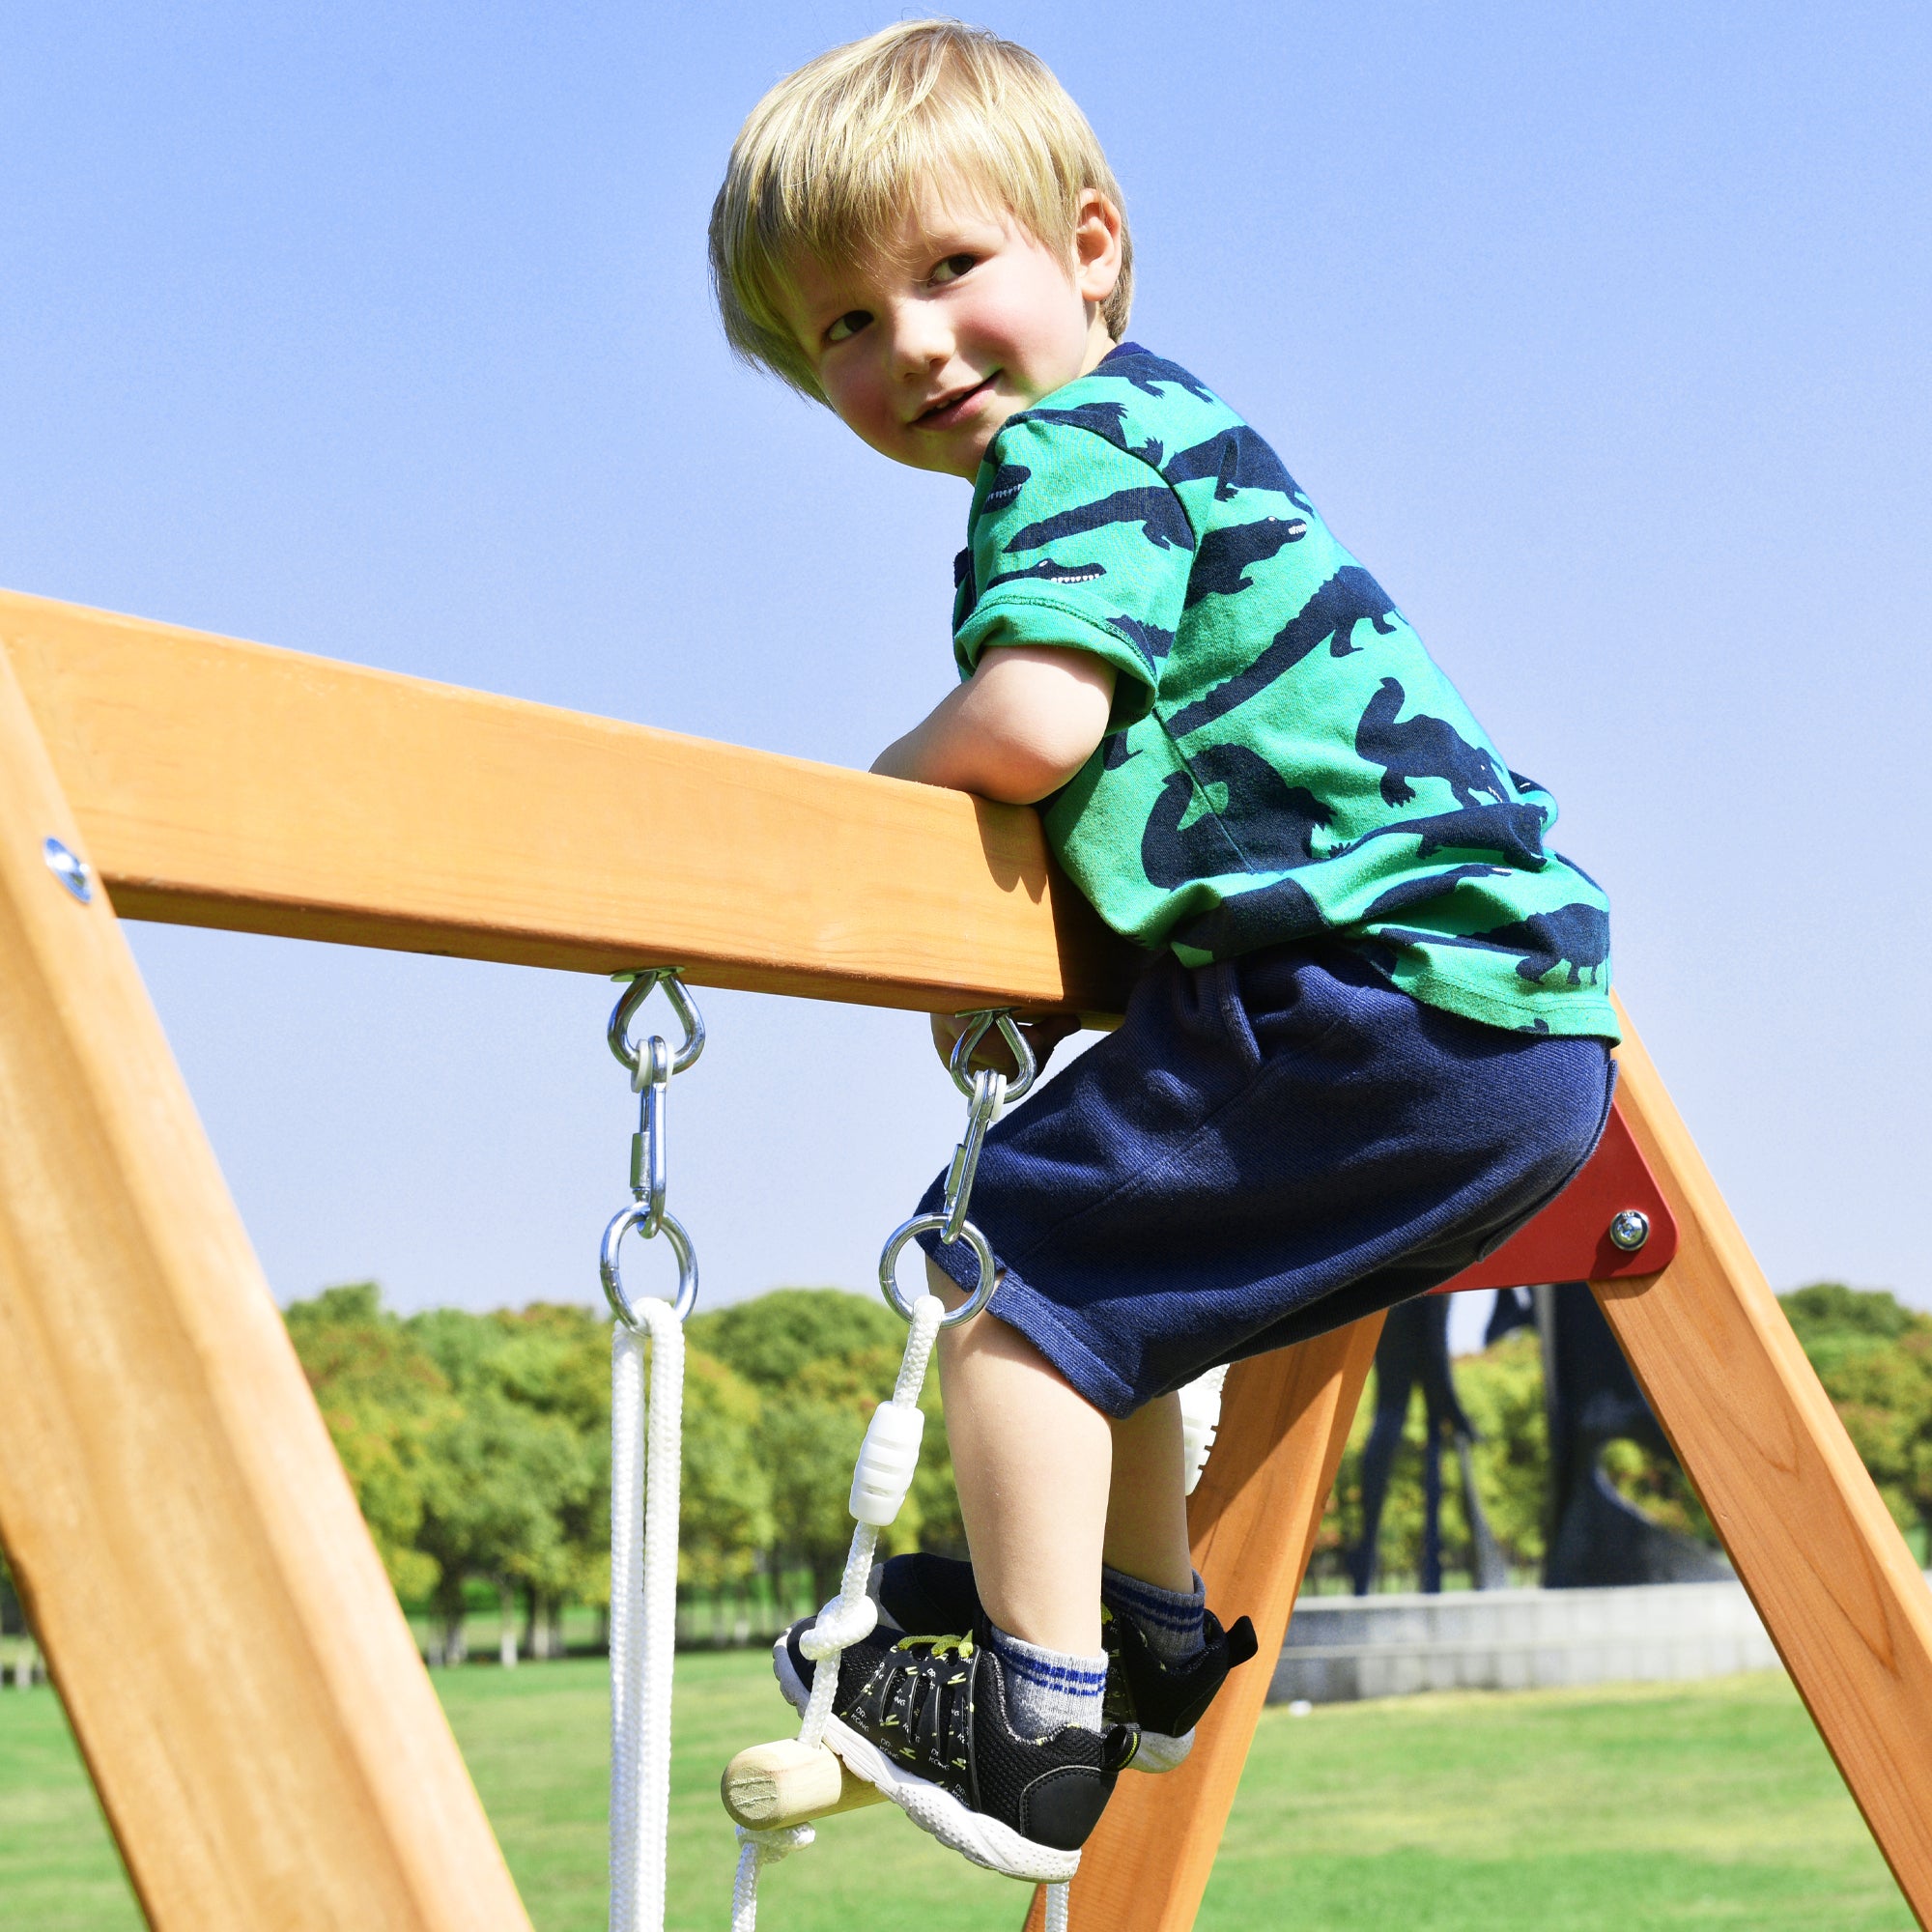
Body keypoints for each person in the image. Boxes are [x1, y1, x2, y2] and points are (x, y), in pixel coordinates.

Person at [708, 18, 1619, 1883]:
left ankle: (1035, 1719)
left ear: (1090, 248)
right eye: (845, 328)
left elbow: (1033, 725)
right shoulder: (1185, 434)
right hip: (1509, 1030)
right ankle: (1143, 1627)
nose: (914, 346)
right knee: (1109, 1304)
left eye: (949, 269)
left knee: (992, 1281)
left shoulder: (1073, 453)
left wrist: (865, 820)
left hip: (1379, 1005)